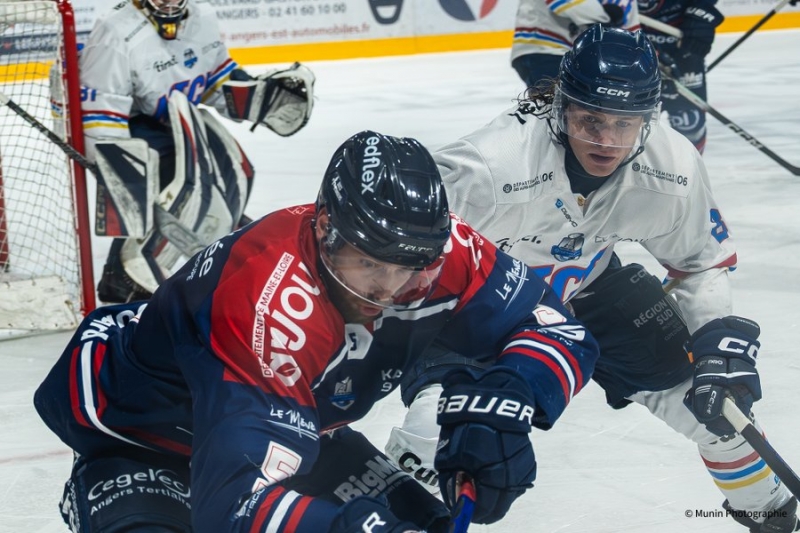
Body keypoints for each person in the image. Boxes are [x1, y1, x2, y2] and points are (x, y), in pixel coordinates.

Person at [33, 131, 601, 532]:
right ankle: (101, 496)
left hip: (297, 421)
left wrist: (512, 394)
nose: (388, 287)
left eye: (410, 268)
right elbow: (232, 508)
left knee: (420, 523)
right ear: (326, 226)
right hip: (144, 434)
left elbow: (559, 331)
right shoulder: (269, 307)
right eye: (370, 264)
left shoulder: (438, 249)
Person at [386, 26, 799, 532]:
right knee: (435, 434)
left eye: (625, 125)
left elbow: (698, 260)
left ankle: (774, 517)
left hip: (589, 286)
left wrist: (713, 348)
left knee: (720, 410)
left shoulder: (672, 168)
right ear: (561, 107)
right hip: (481, 303)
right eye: (590, 121)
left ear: (649, 121)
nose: (606, 141)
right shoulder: (488, 167)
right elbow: (401, 259)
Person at [51, 0, 315, 304]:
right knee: (165, 178)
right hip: (132, 122)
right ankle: (123, 275)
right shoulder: (116, 30)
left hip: (177, 119)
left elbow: (215, 78)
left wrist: (258, 96)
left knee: (231, 170)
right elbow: (102, 110)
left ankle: (220, 234)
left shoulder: (202, 17)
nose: (168, 3)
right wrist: (117, 167)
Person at [637, 0, 724, 152]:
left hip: (681, 40)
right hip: (628, 37)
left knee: (690, 125)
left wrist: (702, 7)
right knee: (622, 127)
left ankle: (688, 173)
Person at [510, 0, 640, 89]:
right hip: (544, 49)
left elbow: (631, 30)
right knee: (558, 114)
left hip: (578, 58)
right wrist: (601, 17)